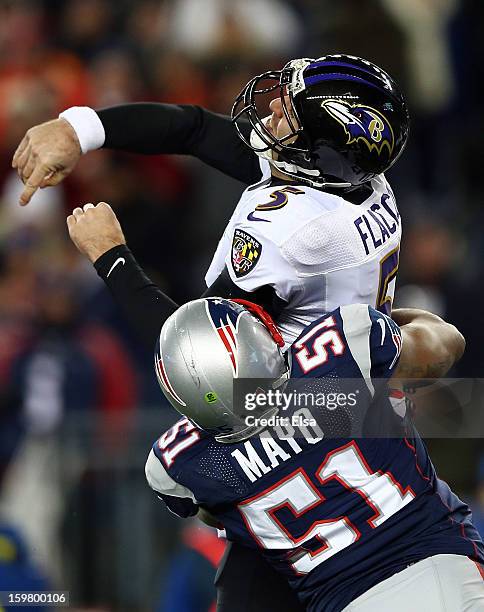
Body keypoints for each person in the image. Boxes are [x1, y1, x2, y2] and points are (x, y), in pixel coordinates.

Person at [19, 54, 411, 610]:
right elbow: (196, 128)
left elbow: (200, 360)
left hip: (293, 458)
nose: (274, 109)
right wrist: (79, 128)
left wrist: (110, 256)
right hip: (354, 438)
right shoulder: (364, 186)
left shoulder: (290, 232)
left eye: (292, 112)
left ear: (325, 144)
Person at [66, 202, 484, 612]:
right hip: (439, 565)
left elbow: (222, 513)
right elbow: (446, 345)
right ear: (260, 340)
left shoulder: (176, 465)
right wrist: (383, 336)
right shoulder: (344, 344)